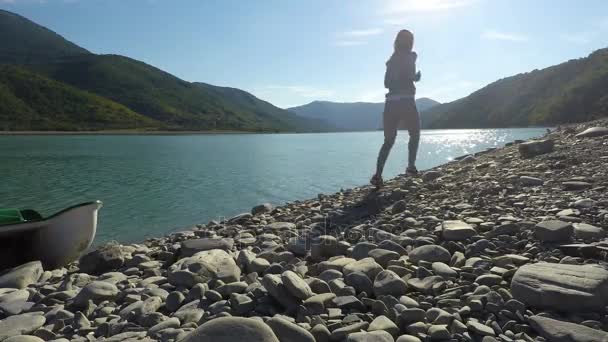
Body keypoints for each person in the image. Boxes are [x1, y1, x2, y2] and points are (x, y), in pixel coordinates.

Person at [370, 29, 421, 188]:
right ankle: (410, 167)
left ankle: (377, 176)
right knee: (414, 134)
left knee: (388, 140)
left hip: (391, 103)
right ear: (410, 42)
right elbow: (410, 76)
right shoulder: (410, 56)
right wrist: (415, 78)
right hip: (406, 100)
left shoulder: (391, 61)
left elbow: (386, 84)